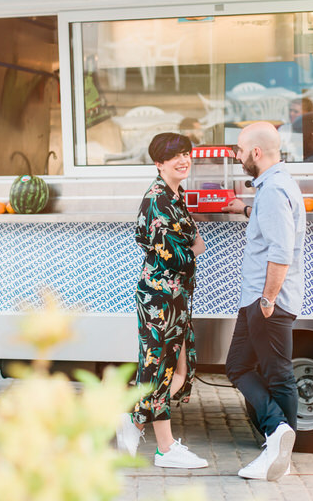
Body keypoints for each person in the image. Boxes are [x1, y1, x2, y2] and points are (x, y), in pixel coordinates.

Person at [115, 132, 209, 469]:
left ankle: (134, 420)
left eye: (186, 153)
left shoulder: (175, 194)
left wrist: (192, 245)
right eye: (174, 157)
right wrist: (193, 246)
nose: (184, 160)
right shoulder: (158, 200)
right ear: (159, 164)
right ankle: (165, 449)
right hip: (160, 300)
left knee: (180, 370)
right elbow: (183, 254)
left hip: (174, 297)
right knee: (162, 373)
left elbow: (190, 245)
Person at [220, 121, 307, 481]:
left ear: (257, 152)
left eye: (240, 151)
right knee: (238, 366)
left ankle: (279, 447)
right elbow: (270, 227)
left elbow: (281, 250)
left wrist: (268, 299)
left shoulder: (272, 190)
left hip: (266, 299)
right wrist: (243, 210)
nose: (238, 157)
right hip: (260, 298)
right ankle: (278, 439)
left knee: (277, 376)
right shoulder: (276, 185)